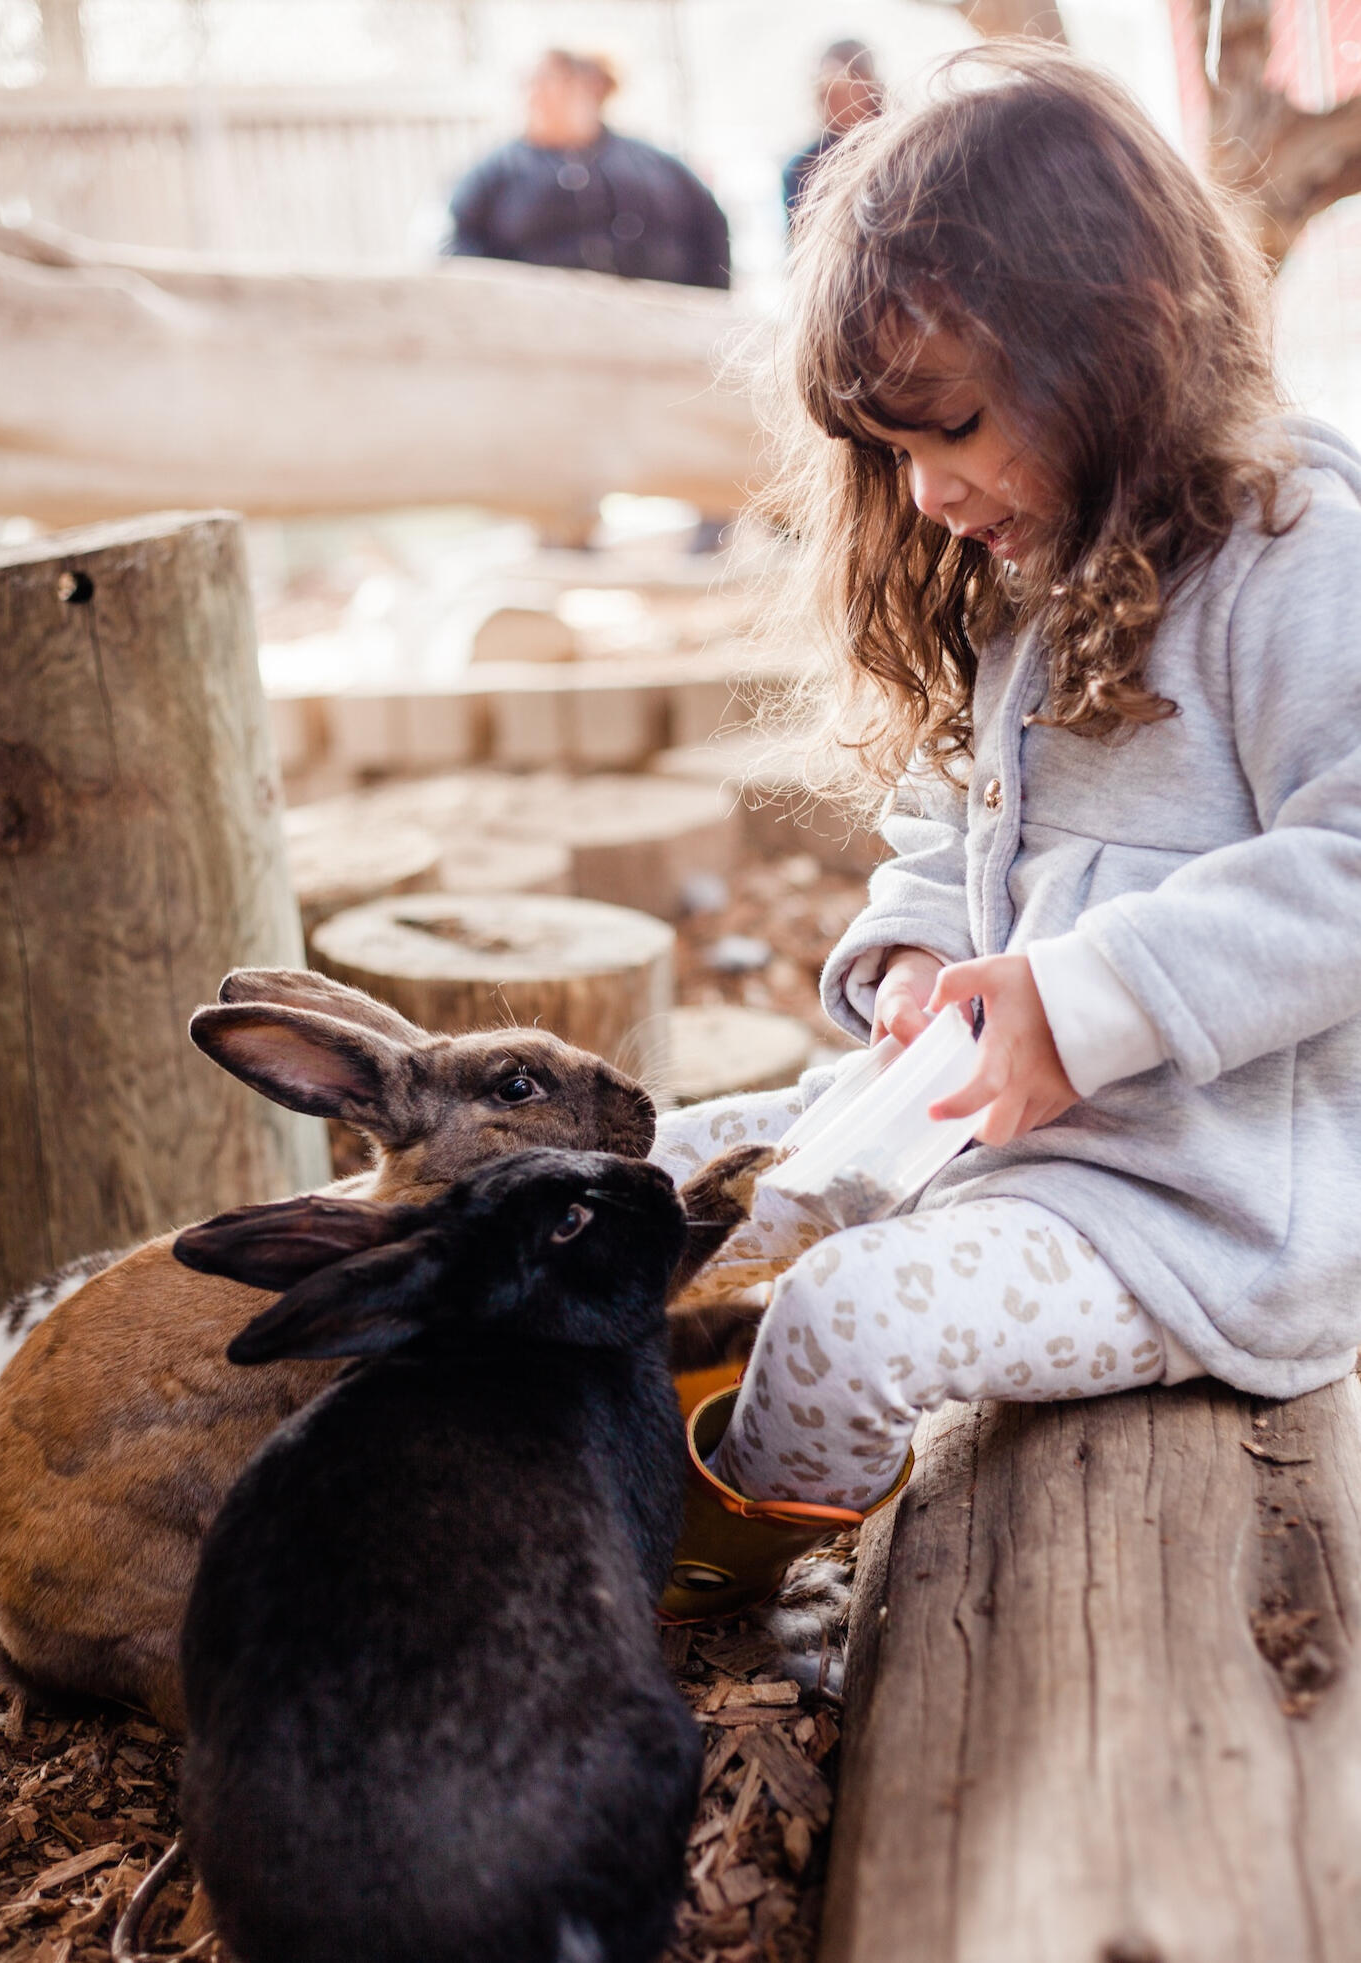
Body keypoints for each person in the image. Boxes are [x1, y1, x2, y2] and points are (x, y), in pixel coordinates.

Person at [652, 42, 1361, 1597]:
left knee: (846, 1320)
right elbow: (954, 809)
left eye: (951, 427)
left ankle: (778, 1622)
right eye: (893, 451)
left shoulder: (1294, 557)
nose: (921, 495)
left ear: (1122, 338)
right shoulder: (1047, 564)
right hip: (1001, 1135)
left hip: (1198, 1212)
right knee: (644, 1178)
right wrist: (914, 951)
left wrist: (1083, 1000)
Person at [445, 48, 730, 290]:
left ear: (592, 88)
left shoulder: (656, 166)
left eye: (556, 82)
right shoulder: (494, 174)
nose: (539, 94)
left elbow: (711, 234)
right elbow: (456, 248)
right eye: (533, 84)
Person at [782, 39, 885, 227]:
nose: (827, 93)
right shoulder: (801, 168)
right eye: (822, 84)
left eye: (839, 83)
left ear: (870, 86)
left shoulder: (897, 152)